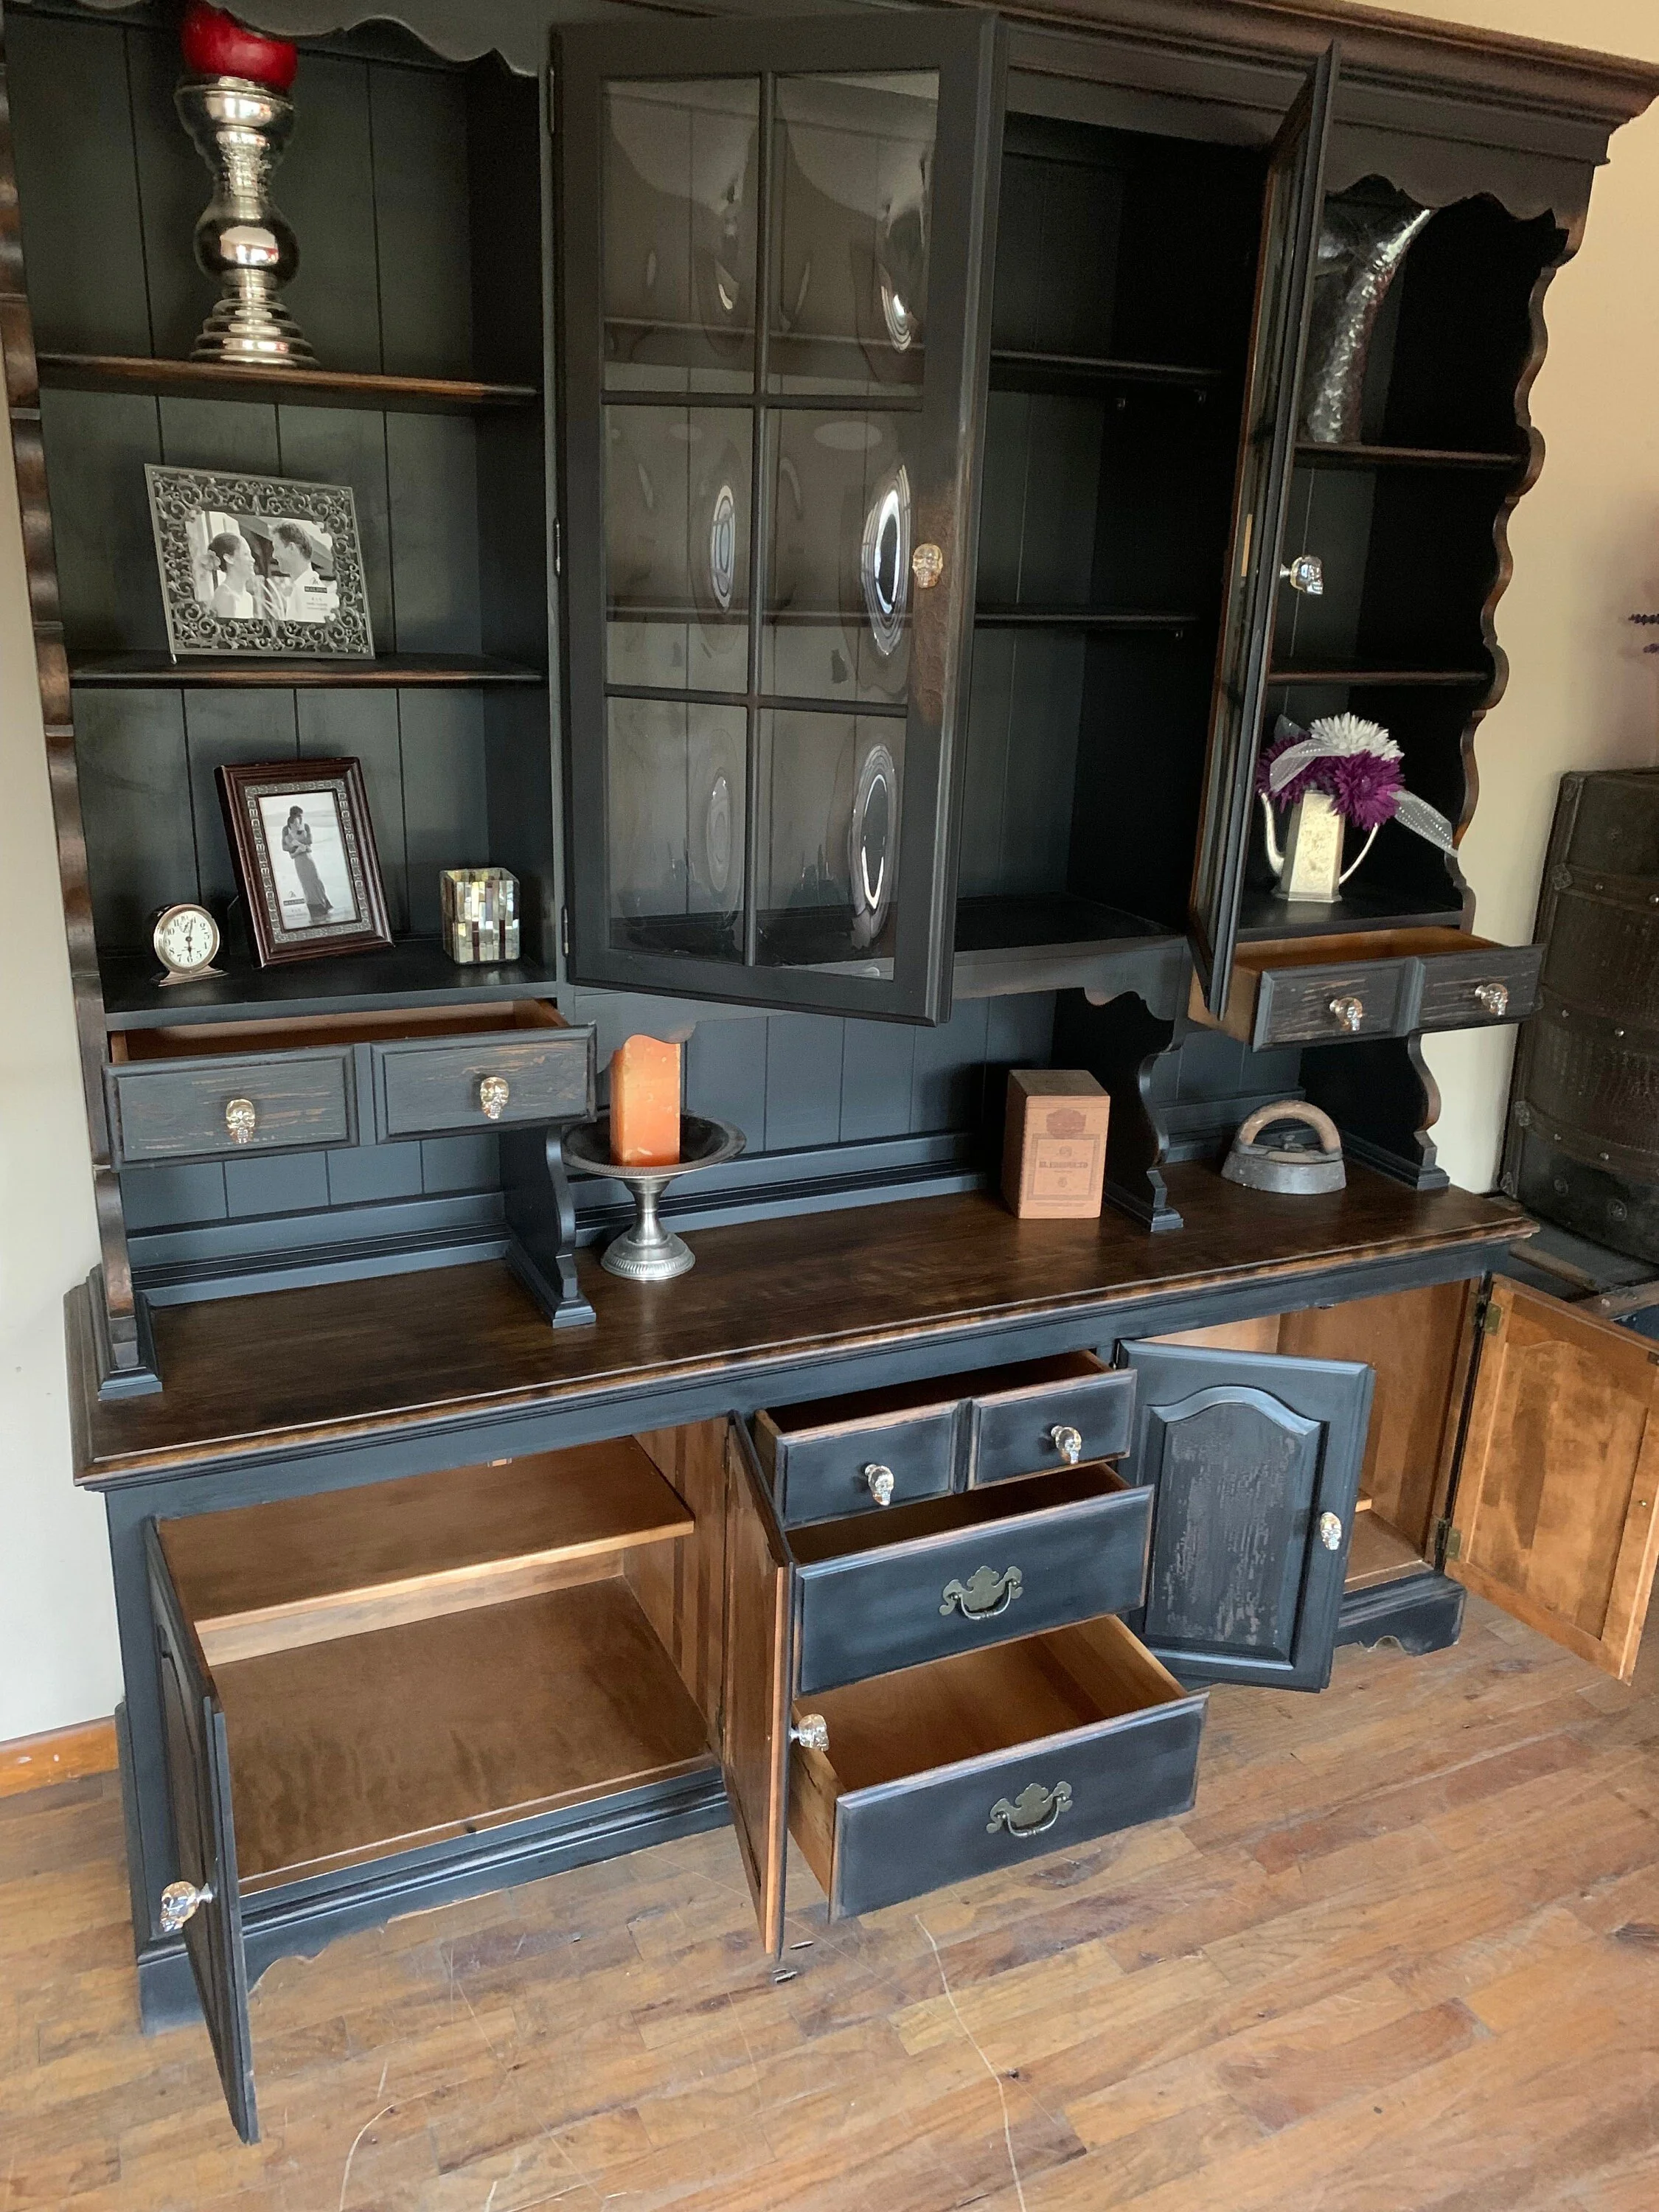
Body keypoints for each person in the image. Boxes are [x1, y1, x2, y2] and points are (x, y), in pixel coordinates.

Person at [268, 521, 338, 624]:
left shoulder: (305, 593)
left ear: (292, 548)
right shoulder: (306, 588)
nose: (274, 555)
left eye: (277, 548)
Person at [280, 805, 332, 922]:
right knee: (306, 884)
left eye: (301, 816)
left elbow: (310, 841)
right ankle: (315, 909)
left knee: (316, 880)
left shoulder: (305, 827)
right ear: (292, 816)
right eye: (299, 816)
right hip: (298, 859)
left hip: (307, 857)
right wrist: (296, 846)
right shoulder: (286, 829)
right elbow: (284, 846)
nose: (301, 818)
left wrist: (296, 843)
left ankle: (325, 904)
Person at [205, 530, 259, 618]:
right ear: (229, 558)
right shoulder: (226, 596)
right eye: (246, 554)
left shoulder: (247, 597)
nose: (253, 560)